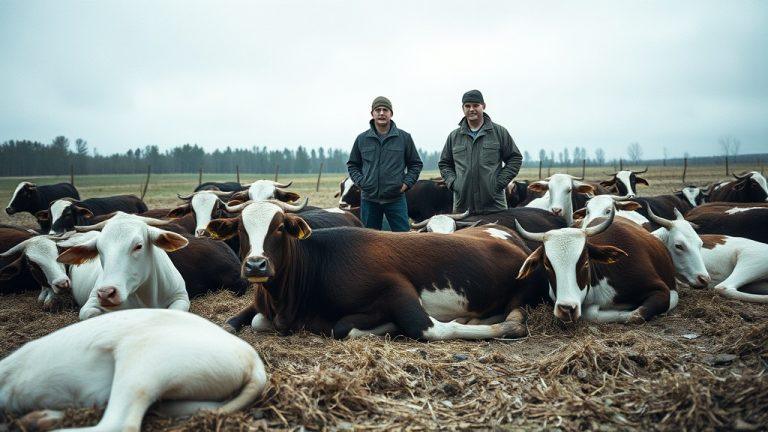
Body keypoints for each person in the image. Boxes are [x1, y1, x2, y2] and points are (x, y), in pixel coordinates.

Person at [438, 89, 522, 214]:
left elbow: (515, 158)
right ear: (463, 108)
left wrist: (498, 183)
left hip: (494, 205)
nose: (471, 109)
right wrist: (455, 184)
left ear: (483, 106)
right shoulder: (454, 136)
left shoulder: (499, 133)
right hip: (463, 206)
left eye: (476, 105)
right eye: (467, 106)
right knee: (463, 228)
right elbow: (444, 164)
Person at [347, 96, 423, 231]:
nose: (381, 113)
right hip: (369, 199)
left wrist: (406, 184)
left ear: (391, 113)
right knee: (370, 238)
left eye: (385, 110)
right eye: (378, 110)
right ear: (372, 114)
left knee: (403, 237)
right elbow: (353, 165)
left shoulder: (404, 138)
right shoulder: (362, 139)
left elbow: (415, 164)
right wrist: (362, 183)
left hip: (395, 199)